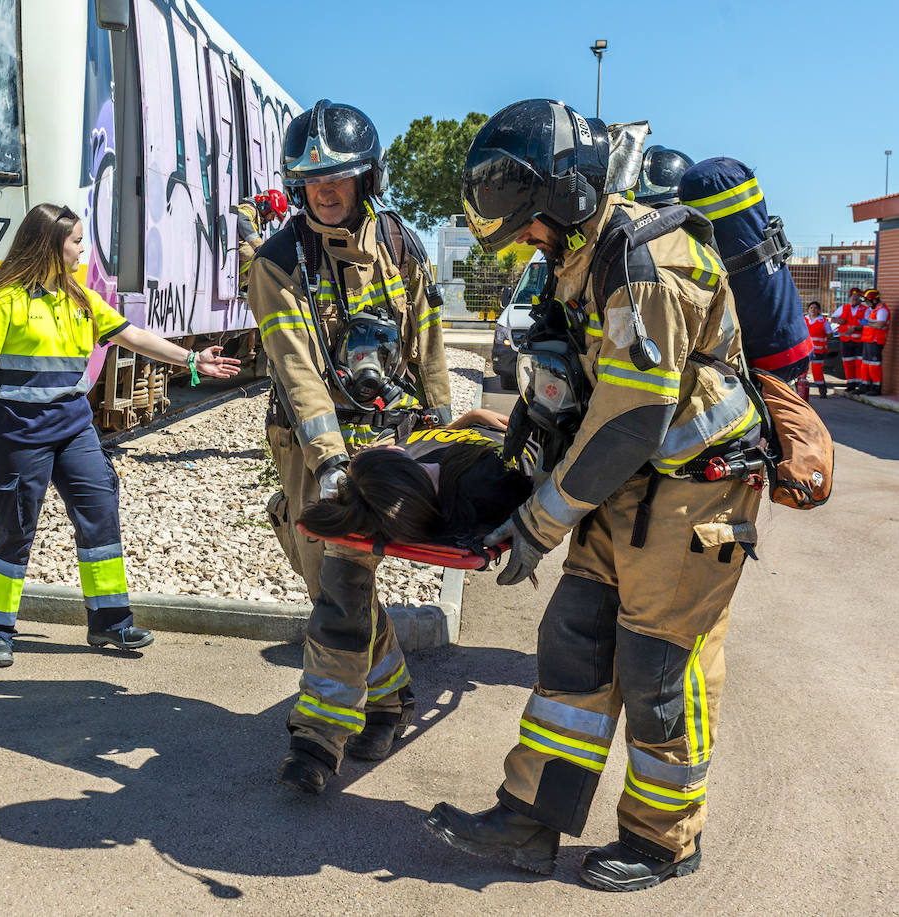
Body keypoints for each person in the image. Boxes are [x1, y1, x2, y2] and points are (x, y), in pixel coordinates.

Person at [426, 100, 765, 892]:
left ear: (567, 195)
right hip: (627, 492)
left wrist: (538, 522)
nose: (526, 241)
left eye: (529, 225)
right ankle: (530, 814)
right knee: (574, 639)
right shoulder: (583, 255)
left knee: (658, 667)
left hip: (696, 497)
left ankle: (663, 838)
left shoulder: (648, 267)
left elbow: (631, 420)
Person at [245, 99, 452, 792]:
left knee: (342, 586)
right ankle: (390, 697)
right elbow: (297, 369)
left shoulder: (400, 244)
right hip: (312, 446)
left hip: (387, 437)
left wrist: (443, 429)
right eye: (311, 180)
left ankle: (318, 741)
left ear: (368, 178)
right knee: (331, 584)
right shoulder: (279, 263)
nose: (324, 191)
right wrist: (331, 460)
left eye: (338, 177)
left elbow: (427, 341)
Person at [0, 203, 239, 667]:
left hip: (73, 428)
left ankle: (110, 621)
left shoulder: (79, 298)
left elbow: (132, 336)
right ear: (50, 244)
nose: (84, 249)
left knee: (99, 511)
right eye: (77, 241)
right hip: (18, 433)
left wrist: (190, 359)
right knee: (15, 529)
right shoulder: (2, 301)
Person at [298, 408, 532, 546]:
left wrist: (472, 417)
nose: (365, 446)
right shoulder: (483, 485)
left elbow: (444, 436)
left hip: (484, 423)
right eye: (367, 452)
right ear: (393, 464)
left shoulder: (412, 465)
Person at [234, 190, 289, 292]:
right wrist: (260, 247)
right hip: (233, 252)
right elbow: (242, 219)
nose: (272, 219)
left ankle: (248, 286)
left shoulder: (258, 217)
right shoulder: (249, 208)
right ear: (266, 206)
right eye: (274, 214)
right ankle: (243, 284)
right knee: (252, 253)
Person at [832, 287, 867, 392]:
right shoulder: (843, 308)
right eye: (853, 297)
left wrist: (856, 328)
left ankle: (860, 384)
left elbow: (867, 323)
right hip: (845, 340)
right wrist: (839, 320)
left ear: (860, 299)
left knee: (859, 363)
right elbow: (833, 318)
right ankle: (850, 383)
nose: (854, 299)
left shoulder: (865, 310)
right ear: (850, 298)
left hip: (859, 341)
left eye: (857, 297)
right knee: (848, 363)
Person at [860, 288, 889, 395]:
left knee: (874, 364)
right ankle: (865, 385)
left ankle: (876, 387)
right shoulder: (873, 310)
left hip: (876, 340)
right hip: (869, 339)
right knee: (866, 363)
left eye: (867, 301)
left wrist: (866, 323)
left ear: (874, 300)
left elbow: (880, 325)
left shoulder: (882, 310)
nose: (866, 304)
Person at [803, 301, 832, 397]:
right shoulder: (803, 320)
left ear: (819, 310)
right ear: (808, 309)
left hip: (818, 351)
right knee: (802, 371)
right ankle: (800, 391)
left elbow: (829, 334)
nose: (813, 310)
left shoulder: (823, 321)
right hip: (804, 350)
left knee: (817, 371)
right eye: (811, 308)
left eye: (815, 308)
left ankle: (822, 391)